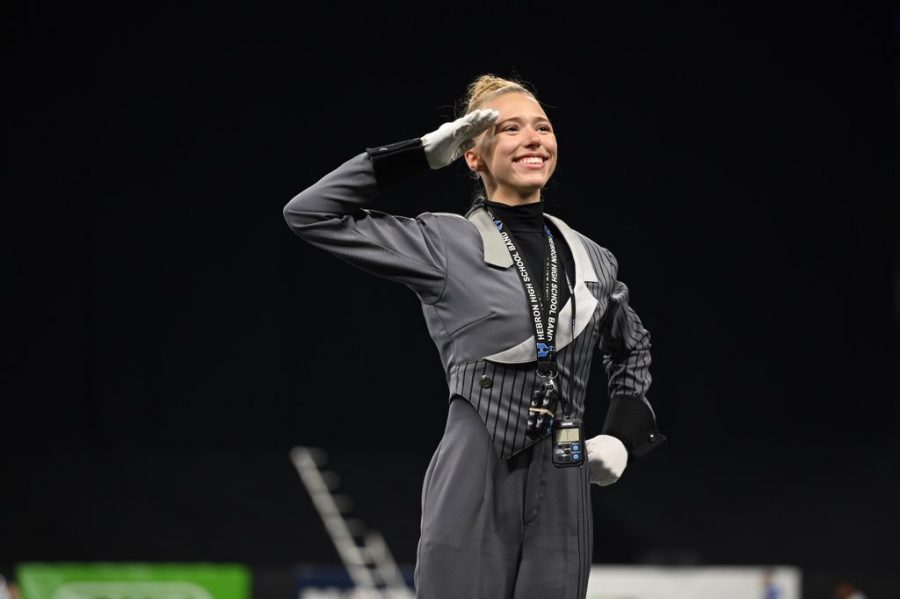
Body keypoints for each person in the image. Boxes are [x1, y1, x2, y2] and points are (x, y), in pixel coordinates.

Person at [283, 73, 665, 599]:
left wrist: (622, 435)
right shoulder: (443, 241)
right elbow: (309, 213)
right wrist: (417, 154)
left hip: (566, 473)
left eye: (543, 127)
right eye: (510, 128)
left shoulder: (593, 257)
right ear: (472, 155)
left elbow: (632, 347)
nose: (534, 138)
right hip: (475, 467)